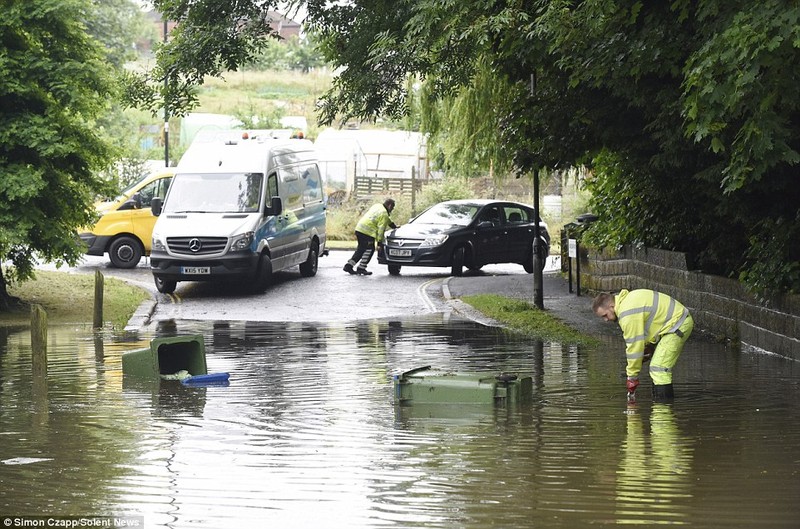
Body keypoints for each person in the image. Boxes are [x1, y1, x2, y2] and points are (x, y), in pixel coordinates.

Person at [592, 289, 694, 400]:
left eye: (605, 315)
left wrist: (632, 377)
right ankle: (660, 404)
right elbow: (650, 326)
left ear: (611, 306)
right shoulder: (627, 301)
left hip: (677, 325)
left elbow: (634, 348)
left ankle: (663, 410)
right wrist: (650, 346)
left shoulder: (627, 314)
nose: (606, 320)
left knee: (658, 368)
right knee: (657, 367)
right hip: (676, 322)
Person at [344, 198, 397, 276]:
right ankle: (361, 268)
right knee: (370, 249)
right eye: (392, 207)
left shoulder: (377, 206)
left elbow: (385, 219)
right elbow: (381, 230)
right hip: (367, 233)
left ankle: (349, 266)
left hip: (359, 229)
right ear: (389, 206)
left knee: (361, 250)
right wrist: (379, 243)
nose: (392, 210)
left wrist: (393, 226)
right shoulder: (384, 214)